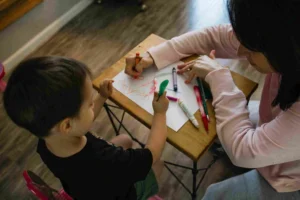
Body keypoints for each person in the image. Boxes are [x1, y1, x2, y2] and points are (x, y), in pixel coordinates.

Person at [124, 0, 300, 199]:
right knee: (220, 123)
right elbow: (213, 37)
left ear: (286, 47)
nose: (241, 52)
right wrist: (153, 55)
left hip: (291, 179)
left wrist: (219, 78)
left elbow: (244, 150)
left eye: (251, 49)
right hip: (276, 129)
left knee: (214, 194)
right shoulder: (281, 38)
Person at [3, 56, 169, 200]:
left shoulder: (47, 140)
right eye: (90, 104)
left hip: (85, 191)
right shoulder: (105, 160)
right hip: (122, 194)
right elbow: (152, 154)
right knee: (158, 164)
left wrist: (101, 97)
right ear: (67, 125)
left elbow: (79, 123)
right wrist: (160, 113)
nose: (92, 105)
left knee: (125, 139)